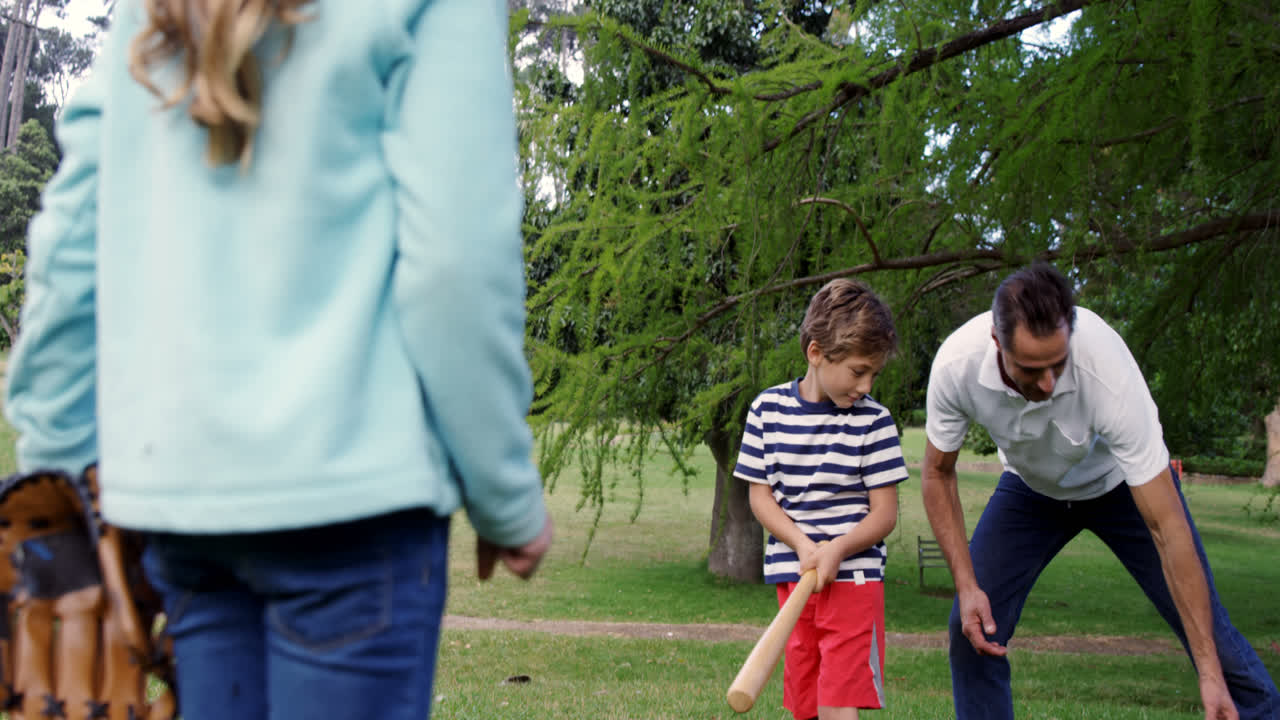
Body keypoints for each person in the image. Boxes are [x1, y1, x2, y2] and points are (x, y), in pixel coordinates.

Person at [3, 1, 552, 719]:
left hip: (185, 512)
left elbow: (71, 249)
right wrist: (503, 494)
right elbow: (455, 265)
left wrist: (71, 490)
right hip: (351, 515)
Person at [921, 262, 1279, 720]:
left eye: (1058, 365)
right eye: (1032, 370)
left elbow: (1167, 527)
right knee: (971, 630)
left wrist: (1208, 674)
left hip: (1119, 488)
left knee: (1217, 645)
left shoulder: (1104, 365)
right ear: (997, 341)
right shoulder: (957, 366)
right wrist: (967, 585)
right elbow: (937, 473)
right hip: (1030, 492)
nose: (1048, 384)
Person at [734, 278, 909, 720]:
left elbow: (884, 514)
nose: (866, 385)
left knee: (837, 701)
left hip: (854, 579)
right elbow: (762, 499)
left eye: (873, 373)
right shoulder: (766, 410)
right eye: (857, 371)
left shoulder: (875, 422)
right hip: (794, 577)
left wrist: (837, 549)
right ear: (816, 353)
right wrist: (803, 546)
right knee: (805, 701)